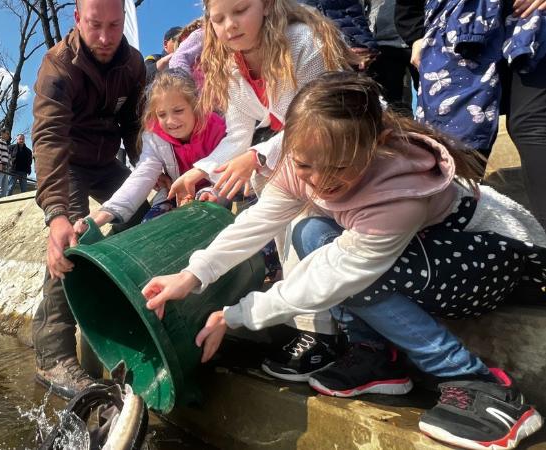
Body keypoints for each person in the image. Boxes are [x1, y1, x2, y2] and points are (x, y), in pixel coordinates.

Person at [142, 72, 545, 450]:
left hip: (495, 259)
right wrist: (192, 274)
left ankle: (477, 382)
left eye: (338, 168)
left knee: (350, 269)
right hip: (426, 253)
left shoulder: (398, 193)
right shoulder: (308, 154)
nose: (317, 180)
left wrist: (236, 315)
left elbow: (332, 277)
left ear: (372, 147)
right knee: (309, 232)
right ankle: (376, 358)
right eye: (304, 166)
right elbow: (259, 220)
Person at [167, 0, 359, 380]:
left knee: (298, 215)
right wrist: (200, 171)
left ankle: (324, 334)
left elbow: (321, 118)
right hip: (298, 154)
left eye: (240, 11)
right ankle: (310, 327)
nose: (230, 26)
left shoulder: (303, 43)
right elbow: (238, 134)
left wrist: (257, 156)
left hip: (339, 147)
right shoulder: (231, 63)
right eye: (218, 19)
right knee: (280, 210)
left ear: (267, 5)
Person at [31, 0, 148, 398]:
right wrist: (57, 214)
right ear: (76, 19)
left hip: (108, 163)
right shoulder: (57, 65)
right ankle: (53, 357)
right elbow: (48, 139)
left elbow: (134, 124)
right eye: (95, 25)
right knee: (71, 245)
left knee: (148, 218)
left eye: (115, 26)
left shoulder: (133, 65)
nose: (105, 37)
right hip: (70, 165)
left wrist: (154, 168)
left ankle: (133, 318)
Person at [395, 0, 546, 228]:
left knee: (532, 127)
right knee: (456, 139)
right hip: (457, 31)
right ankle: (449, 240)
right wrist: (415, 35)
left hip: (530, 23)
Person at [73, 70, 227, 234]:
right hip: (174, 194)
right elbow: (143, 174)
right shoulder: (155, 136)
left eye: (178, 110)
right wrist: (104, 213)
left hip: (213, 189)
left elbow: (225, 168)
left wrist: (213, 192)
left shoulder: (215, 129)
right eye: (162, 114)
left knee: (201, 226)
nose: (170, 121)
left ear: (195, 105)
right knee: (150, 229)